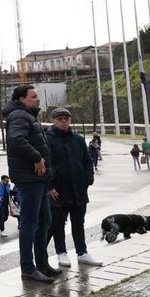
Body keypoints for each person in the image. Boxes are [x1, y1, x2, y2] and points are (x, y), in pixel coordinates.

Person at [3, 84, 59, 283]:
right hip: (29, 179)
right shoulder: (19, 116)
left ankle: (42, 265)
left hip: (39, 179)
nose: (38, 99)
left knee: (44, 221)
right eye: (33, 96)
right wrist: (36, 157)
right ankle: (28, 268)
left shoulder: (28, 115)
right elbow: (16, 140)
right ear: (21, 99)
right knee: (29, 223)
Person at [44, 107, 101, 267]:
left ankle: (82, 252)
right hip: (58, 190)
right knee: (58, 224)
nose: (63, 121)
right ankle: (61, 253)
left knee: (79, 222)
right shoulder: (47, 140)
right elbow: (45, 165)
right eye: (60, 119)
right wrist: (49, 186)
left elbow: (87, 160)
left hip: (78, 189)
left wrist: (88, 179)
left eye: (66, 119)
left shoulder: (78, 139)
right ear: (53, 120)